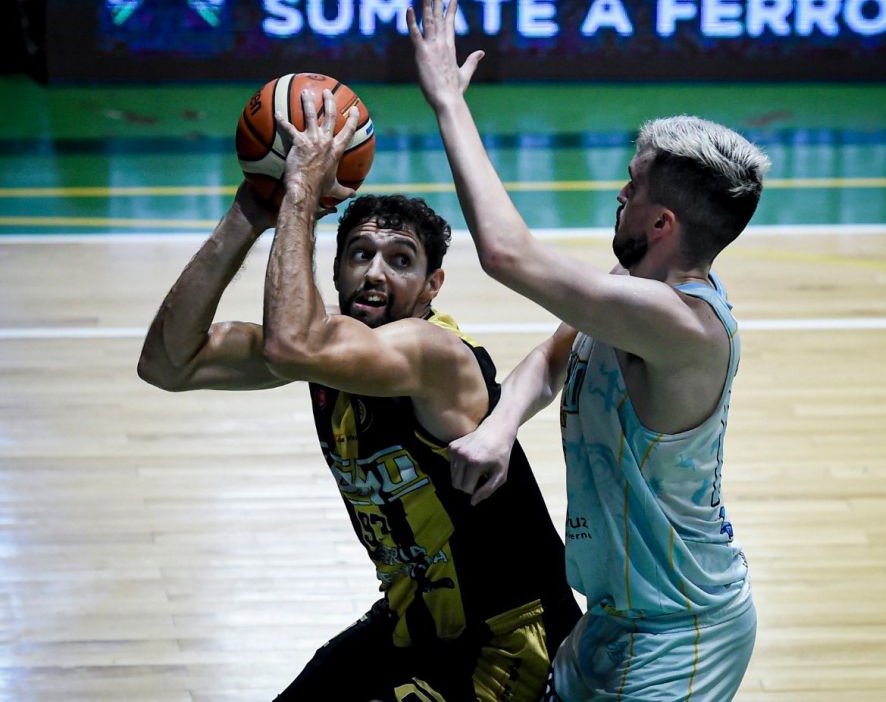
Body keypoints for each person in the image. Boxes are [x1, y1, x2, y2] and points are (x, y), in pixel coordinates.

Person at [137, 88, 580, 701]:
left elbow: (290, 345)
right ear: (336, 272)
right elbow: (167, 362)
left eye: (400, 260)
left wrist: (300, 191)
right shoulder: (326, 351)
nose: (374, 271)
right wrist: (248, 212)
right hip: (410, 625)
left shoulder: (432, 354)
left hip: (506, 644)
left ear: (432, 286)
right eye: (360, 255)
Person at [408, 0, 770, 700]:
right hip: (613, 617)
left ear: (662, 223)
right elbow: (554, 358)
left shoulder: (681, 325)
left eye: (633, 187)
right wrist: (501, 426)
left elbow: (506, 254)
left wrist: (449, 102)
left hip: (682, 634)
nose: (620, 195)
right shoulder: (631, 291)